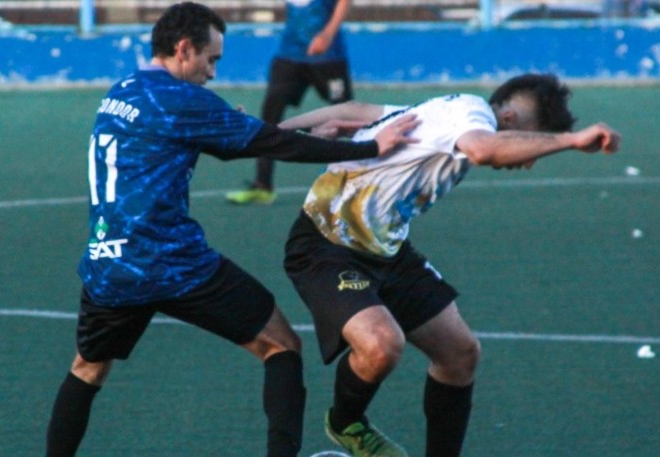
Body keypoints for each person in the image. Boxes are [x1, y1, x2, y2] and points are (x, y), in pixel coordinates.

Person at [43, 3, 419, 456]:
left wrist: (295, 128)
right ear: (184, 49)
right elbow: (271, 143)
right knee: (281, 345)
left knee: (87, 368)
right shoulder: (184, 100)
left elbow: (229, 135)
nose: (213, 72)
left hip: (110, 265)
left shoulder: (123, 89)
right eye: (211, 59)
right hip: (174, 263)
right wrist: (370, 146)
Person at [279, 74, 621, 457]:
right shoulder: (470, 114)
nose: (528, 160)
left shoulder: (445, 114)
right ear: (508, 119)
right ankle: (346, 423)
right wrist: (572, 141)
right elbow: (484, 150)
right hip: (325, 245)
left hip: (386, 250)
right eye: (532, 146)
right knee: (381, 344)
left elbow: (355, 112)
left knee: (460, 354)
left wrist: (272, 131)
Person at [225, 0, 354, 205]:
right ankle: (263, 185)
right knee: (270, 114)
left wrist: (328, 33)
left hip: (328, 56)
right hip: (289, 54)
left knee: (347, 118)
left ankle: (350, 183)